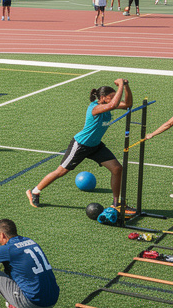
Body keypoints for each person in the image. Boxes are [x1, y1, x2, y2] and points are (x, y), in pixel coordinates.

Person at [27, 79, 133, 210]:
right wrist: (121, 85)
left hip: (95, 145)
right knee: (61, 171)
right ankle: (35, 191)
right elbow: (114, 104)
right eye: (110, 97)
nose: (113, 99)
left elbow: (128, 104)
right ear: (102, 98)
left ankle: (116, 203)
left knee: (117, 169)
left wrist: (126, 86)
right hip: (81, 145)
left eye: (113, 97)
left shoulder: (108, 104)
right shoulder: (95, 108)